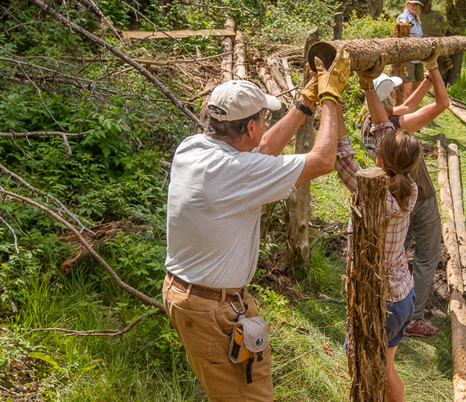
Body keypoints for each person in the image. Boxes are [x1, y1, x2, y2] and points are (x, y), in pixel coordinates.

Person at [162, 50, 350, 402]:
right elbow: (323, 160)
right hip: (210, 308)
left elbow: (260, 150)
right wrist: (330, 97)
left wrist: (305, 101)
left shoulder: (192, 148)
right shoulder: (235, 172)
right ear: (249, 126)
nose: (264, 124)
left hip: (198, 298)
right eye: (263, 118)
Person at [334, 83, 422, 402]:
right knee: (386, 367)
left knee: (373, 369)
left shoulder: (375, 196)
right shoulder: (406, 187)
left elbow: (341, 156)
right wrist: (369, 86)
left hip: (380, 300)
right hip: (402, 295)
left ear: (380, 158)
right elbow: (386, 131)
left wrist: (334, 102)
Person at [358, 47, 448, 338]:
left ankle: (385, 304)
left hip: (389, 204)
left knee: (394, 255)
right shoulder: (395, 128)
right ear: (387, 99)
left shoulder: (372, 125)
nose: (398, 95)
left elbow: (407, 106)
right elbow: (440, 105)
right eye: (394, 92)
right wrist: (433, 69)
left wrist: (425, 80)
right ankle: (414, 318)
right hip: (416, 200)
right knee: (425, 257)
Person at [396, 0, 424, 96]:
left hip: (418, 57)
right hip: (408, 57)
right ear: (407, 4)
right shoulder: (404, 16)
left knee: (416, 89)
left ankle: (412, 110)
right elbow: (403, 25)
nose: (414, 6)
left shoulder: (417, 19)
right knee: (407, 90)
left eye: (417, 5)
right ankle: (403, 111)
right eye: (412, 4)